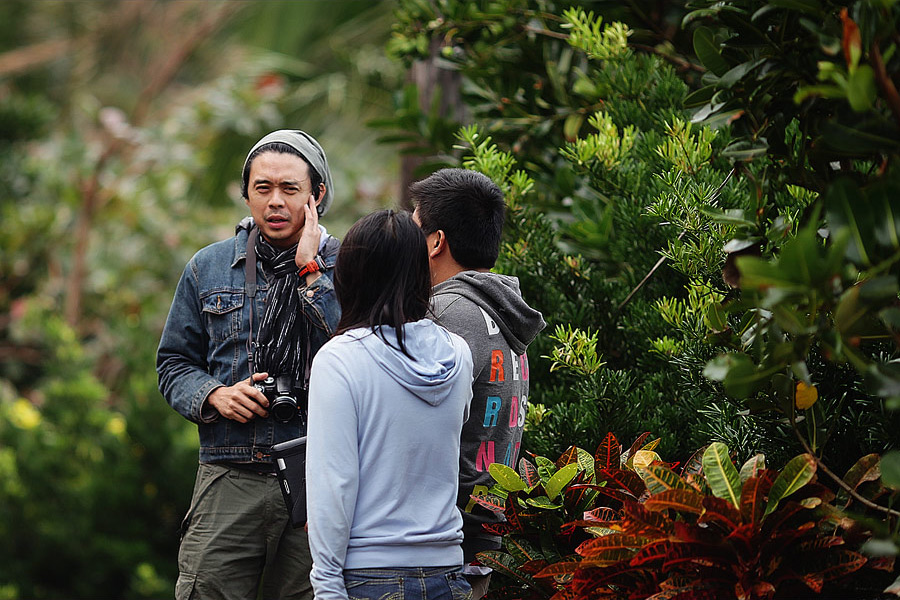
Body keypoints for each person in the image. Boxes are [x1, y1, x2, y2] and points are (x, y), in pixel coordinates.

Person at [157, 129, 340, 600]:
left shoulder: (350, 266)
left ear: (316, 195)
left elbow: (356, 345)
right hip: (229, 472)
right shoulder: (208, 267)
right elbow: (173, 363)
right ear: (246, 194)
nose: (275, 202)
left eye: (290, 189)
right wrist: (214, 394)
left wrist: (310, 271)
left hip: (318, 477)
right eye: (263, 188)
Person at [305, 209, 475, 600]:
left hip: (369, 575)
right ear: (420, 273)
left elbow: (335, 484)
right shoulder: (458, 354)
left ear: (350, 275)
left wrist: (328, 586)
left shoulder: (340, 359)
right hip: (448, 573)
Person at [410, 168, 546, 599]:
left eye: (413, 227)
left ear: (435, 241)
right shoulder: (500, 310)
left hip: (444, 538)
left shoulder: (445, 314)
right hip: (487, 529)